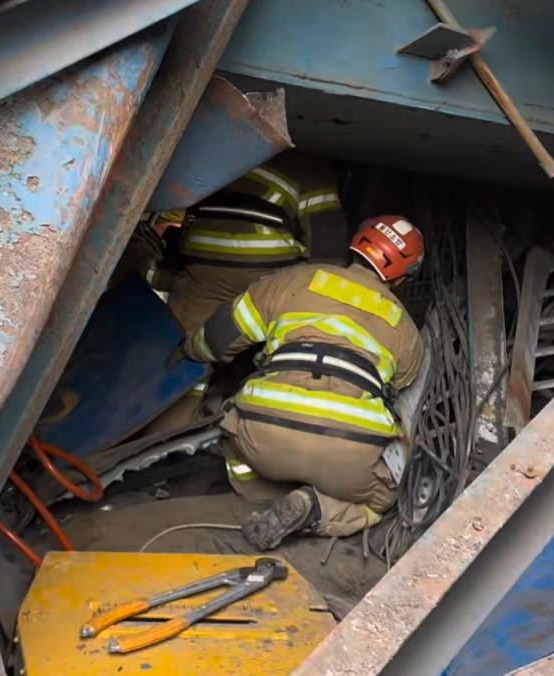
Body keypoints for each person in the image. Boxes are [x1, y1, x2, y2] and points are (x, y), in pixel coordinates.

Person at [182, 215, 425, 549]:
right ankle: (316, 509)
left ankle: (261, 489)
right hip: (348, 454)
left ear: (355, 243)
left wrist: (189, 348)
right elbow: (396, 394)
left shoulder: (295, 280)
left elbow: (222, 335)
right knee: (384, 497)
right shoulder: (407, 330)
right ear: (402, 278)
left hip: (264, 435)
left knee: (231, 434)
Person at [142, 153, 351, 432]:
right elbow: (328, 250)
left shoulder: (231, 152)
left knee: (187, 354)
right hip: (263, 271)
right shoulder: (314, 168)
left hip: (203, 265)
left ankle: (161, 434)